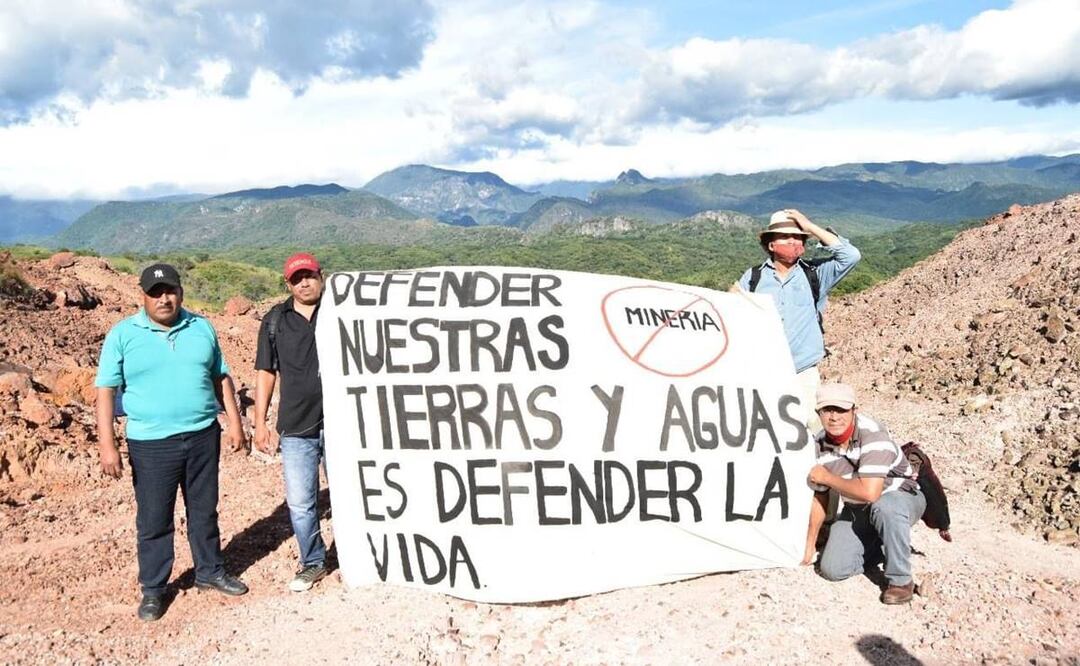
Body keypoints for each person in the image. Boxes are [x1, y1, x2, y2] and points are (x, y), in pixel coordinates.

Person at [95, 263, 249, 622]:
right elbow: (104, 391)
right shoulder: (123, 334)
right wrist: (108, 444)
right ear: (143, 296)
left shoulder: (201, 327)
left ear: (180, 292)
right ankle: (153, 589)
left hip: (202, 435)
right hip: (150, 443)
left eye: (170, 291)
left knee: (204, 509)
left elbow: (220, 377)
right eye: (155, 292)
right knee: (153, 518)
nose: (164, 298)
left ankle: (210, 571)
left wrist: (235, 424)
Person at [735, 209, 860, 428]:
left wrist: (808, 225)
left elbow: (851, 255)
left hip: (803, 369)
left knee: (812, 429)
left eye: (798, 236)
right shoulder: (753, 278)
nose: (794, 240)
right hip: (762, 369)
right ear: (771, 245)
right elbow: (731, 311)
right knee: (767, 428)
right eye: (785, 236)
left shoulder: (815, 274)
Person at [803, 383, 925, 605]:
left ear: (854, 410)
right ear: (818, 413)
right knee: (832, 569)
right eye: (827, 410)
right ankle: (885, 542)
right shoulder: (819, 444)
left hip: (899, 497)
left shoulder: (873, 434)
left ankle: (901, 580)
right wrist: (810, 544)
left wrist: (828, 478)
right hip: (856, 507)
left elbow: (870, 493)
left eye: (841, 410)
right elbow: (819, 496)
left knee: (885, 507)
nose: (834, 417)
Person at [253, 252, 329, 592]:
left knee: (350, 495)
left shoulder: (342, 310)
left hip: (343, 423)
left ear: (321, 275)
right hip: (297, 426)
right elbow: (266, 372)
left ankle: (365, 555)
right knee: (300, 502)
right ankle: (313, 562)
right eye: (297, 278)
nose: (304, 282)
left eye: (309, 275)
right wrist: (260, 421)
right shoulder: (274, 320)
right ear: (288, 284)